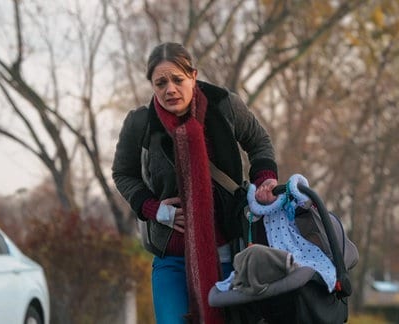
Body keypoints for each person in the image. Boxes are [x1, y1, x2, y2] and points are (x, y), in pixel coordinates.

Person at [112, 42, 278, 324]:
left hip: (231, 253)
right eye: (160, 83)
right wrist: (154, 208)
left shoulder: (225, 105)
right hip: (171, 257)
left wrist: (264, 181)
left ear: (193, 75)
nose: (170, 89)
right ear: (152, 85)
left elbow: (259, 142)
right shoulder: (140, 124)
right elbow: (123, 173)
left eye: (177, 79)